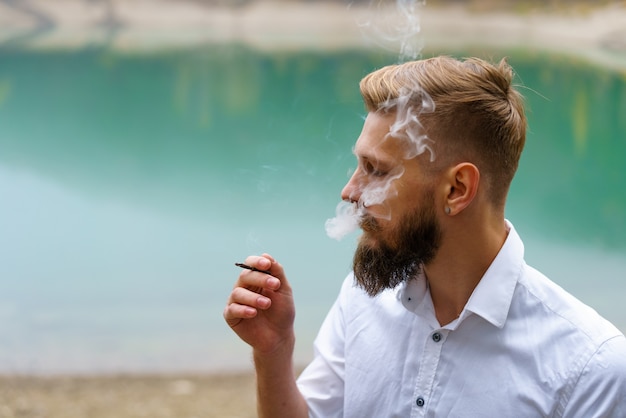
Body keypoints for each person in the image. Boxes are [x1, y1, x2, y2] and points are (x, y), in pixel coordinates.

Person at [223, 56, 626, 417]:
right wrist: (274, 353)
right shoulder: (362, 299)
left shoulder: (591, 367)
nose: (349, 192)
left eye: (376, 169)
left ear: (457, 189)